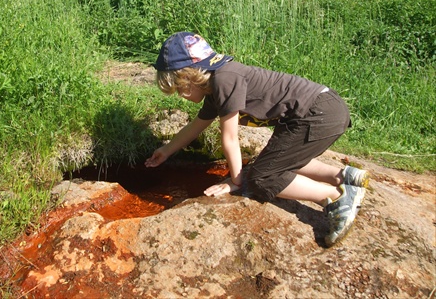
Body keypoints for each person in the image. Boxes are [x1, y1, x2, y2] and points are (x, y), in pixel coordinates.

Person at [145, 31, 369, 247]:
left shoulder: (225, 80)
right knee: (274, 160)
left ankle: (335, 198)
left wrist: (237, 181)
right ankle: (344, 176)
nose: (181, 96)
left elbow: (230, 138)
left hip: (317, 114)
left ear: (191, 76)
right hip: (321, 109)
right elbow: (196, 126)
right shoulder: (217, 85)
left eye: (180, 88)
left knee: (261, 178)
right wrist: (167, 150)